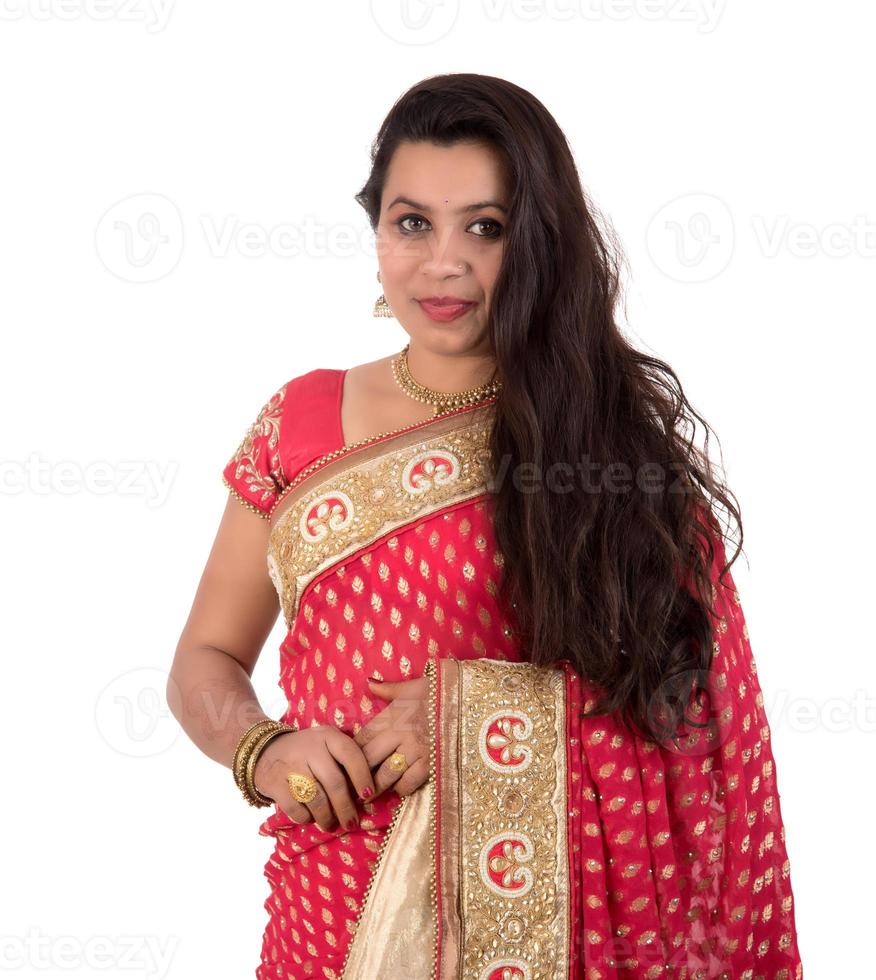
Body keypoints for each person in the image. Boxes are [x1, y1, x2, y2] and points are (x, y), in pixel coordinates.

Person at [168, 73, 803, 979]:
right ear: (377, 228)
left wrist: (476, 722)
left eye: (486, 226)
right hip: (326, 911)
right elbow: (205, 660)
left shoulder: (607, 438)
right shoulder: (295, 422)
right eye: (412, 222)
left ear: (539, 240)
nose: (444, 263)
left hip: (549, 938)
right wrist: (263, 750)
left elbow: (696, 712)